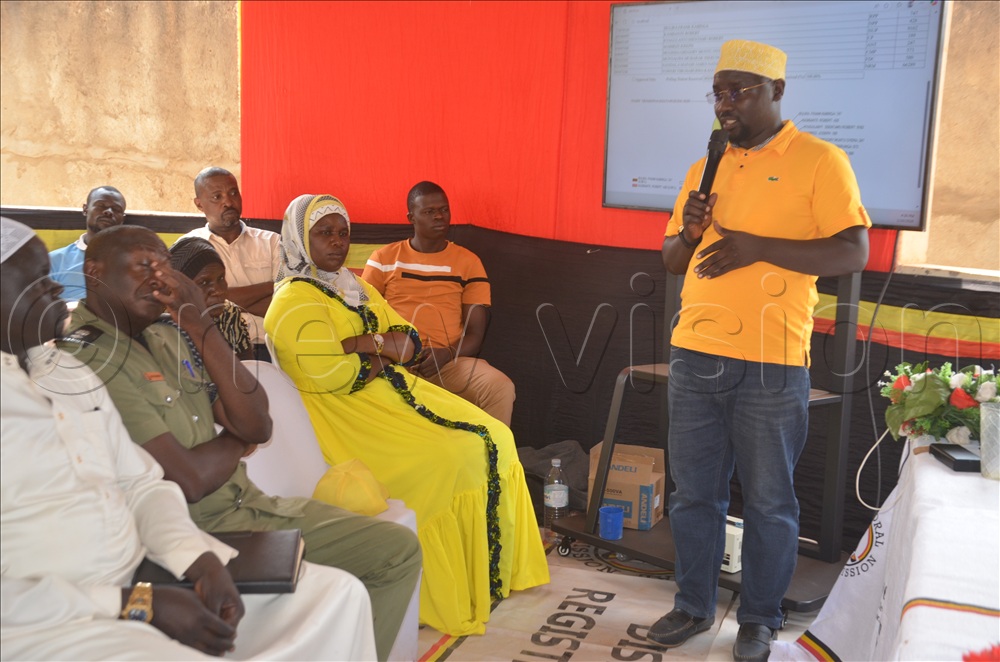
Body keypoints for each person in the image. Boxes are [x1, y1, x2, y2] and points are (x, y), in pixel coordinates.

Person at [0, 217, 378, 661]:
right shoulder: (89, 354)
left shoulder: (64, 372)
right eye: (35, 281)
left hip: (150, 569)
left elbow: (142, 485)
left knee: (338, 597)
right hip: (58, 617)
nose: (56, 291)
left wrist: (198, 562)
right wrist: (138, 604)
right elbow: (194, 475)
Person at [649, 40, 870, 662]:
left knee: (771, 500)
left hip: (773, 359)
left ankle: (760, 619)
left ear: (776, 91)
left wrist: (756, 246)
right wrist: (690, 232)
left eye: (738, 91)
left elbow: (853, 252)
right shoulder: (705, 165)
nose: (725, 105)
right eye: (718, 92)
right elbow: (670, 261)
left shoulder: (821, 160)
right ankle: (691, 605)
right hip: (695, 351)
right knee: (694, 493)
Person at [265, 194, 549, 637]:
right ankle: (443, 587)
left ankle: (490, 573)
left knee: (494, 435)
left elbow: (410, 336)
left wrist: (367, 344)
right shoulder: (292, 303)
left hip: (391, 395)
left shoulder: (352, 285)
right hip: (350, 415)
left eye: (343, 233)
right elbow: (331, 373)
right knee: (450, 457)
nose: (337, 243)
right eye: (324, 233)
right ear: (300, 239)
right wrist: (381, 346)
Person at [362, 181, 516, 426]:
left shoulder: (468, 262)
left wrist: (448, 354)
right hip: (393, 361)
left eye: (444, 210)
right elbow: (363, 317)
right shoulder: (383, 259)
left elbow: (476, 332)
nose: (439, 216)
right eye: (429, 211)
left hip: (449, 362)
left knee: (500, 387)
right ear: (411, 217)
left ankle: (495, 461)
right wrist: (393, 353)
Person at [179, 167, 278, 360]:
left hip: (273, 351)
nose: (228, 202)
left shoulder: (272, 243)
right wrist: (273, 287)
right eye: (217, 197)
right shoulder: (189, 248)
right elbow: (196, 305)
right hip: (216, 353)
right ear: (199, 204)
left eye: (233, 193)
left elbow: (287, 303)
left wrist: (223, 302)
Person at [169, 236, 253, 361]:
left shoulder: (229, 314)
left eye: (221, 278)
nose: (218, 291)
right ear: (180, 287)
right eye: (204, 282)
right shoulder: (164, 326)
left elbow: (247, 366)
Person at [48, 185, 126, 301]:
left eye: (116, 209)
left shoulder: (132, 261)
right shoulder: (55, 261)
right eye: (101, 206)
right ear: (85, 209)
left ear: (122, 219)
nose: (109, 212)